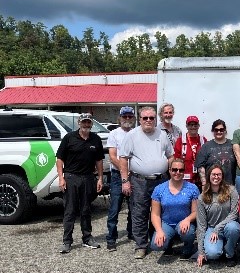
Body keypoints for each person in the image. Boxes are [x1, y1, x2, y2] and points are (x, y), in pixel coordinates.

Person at [119, 106, 174, 259]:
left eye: (151, 118)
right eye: (145, 118)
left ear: (156, 119)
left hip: (161, 180)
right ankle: (141, 246)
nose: (148, 120)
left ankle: (159, 241)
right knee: (139, 213)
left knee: (161, 212)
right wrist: (125, 181)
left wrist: (172, 176)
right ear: (140, 119)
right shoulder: (131, 135)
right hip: (139, 181)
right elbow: (123, 158)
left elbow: (170, 156)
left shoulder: (162, 135)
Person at [57, 113, 104, 253]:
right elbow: (59, 159)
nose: (86, 124)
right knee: (70, 210)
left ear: (91, 124)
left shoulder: (95, 139)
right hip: (71, 177)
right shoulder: (69, 138)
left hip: (88, 178)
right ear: (79, 123)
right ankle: (67, 241)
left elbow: (99, 161)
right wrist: (61, 177)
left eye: (88, 122)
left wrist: (100, 178)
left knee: (86, 210)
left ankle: (87, 238)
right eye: (84, 122)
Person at [150, 159, 199, 259]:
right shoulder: (159, 189)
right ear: (169, 170)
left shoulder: (192, 188)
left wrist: (188, 220)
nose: (177, 173)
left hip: (184, 223)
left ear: (184, 171)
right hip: (166, 223)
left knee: (188, 233)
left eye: (181, 170)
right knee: (156, 245)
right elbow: (155, 214)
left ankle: (188, 247)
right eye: (174, 170)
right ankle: (168, 245)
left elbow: (196, 211)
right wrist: (159, 230)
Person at [196, 164, 240, 267]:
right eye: (213, 174)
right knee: (212, 254)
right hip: (211, 228)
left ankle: (230, 253)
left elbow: (234, 213)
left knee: (233, 228)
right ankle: (220, 248)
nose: (216, 177)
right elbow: (201, 225)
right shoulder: (202, 198)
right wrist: (201, 252)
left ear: (223, 176)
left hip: (228, 225)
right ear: (208, 176)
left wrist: (218, 228)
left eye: (219, 174)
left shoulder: (232, 190)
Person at [105, 106, 135, 251]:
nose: (127, 119)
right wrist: (125, 172)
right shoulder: (114, 134)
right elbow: (112, 156)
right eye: (125, 117)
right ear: (120, 118)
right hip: (117, 176)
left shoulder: (137, 133)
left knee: (133, 208)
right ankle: (111, 238)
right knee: (115, 208)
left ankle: (131, 233)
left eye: (130, 117)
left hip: (134, 175)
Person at [195, 119, 237, 187]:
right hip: (211, 187)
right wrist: (204, 183)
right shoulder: (206, 146)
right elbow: (200, 166)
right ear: (213, 131)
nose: (219, 132)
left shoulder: (232, 145)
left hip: (229, 186)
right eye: (216, 130)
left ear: (225, 131)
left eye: (221, 129)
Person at [173, 115, 208, 190]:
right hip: (185, 179)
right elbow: (176, 159)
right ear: (186, 126)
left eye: (195, 125)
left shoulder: (203, 140)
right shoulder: (180, 141)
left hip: (200, 179)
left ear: (198, 126)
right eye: (190, 125)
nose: (193, 127)